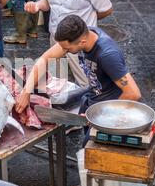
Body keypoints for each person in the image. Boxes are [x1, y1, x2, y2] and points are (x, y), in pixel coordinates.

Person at [16, 14, 141, 146]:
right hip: (93, 97)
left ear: (82, 41)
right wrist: (26, 91)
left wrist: (101, 118)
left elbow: (133, 93)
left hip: (109, 109)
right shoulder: (84, 35)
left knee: (90, 153)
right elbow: (44, 59)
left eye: (67, 49)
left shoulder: (107, 55)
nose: (64, 51)